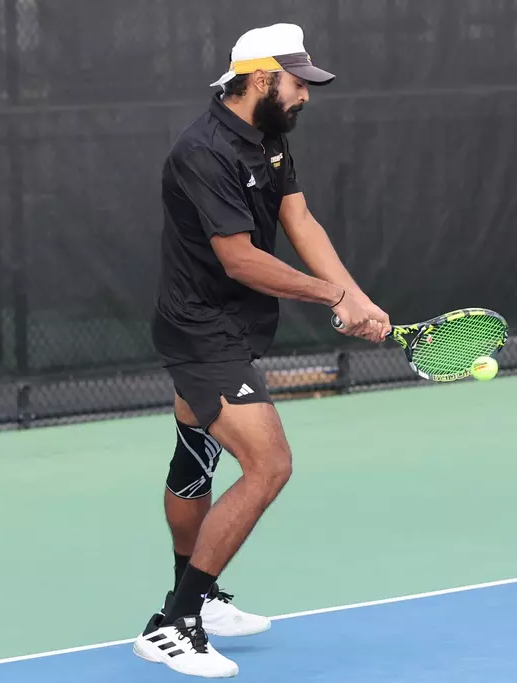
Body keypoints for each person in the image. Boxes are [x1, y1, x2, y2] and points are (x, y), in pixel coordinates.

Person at [133, 23, 391, 678]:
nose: (305, 94)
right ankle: (174, 622)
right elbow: (240, 258)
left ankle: (200, 596)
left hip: (233, 326)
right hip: (201, 331)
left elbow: (300, 219)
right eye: (297, 82)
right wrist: (334, 296)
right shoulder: (203, 152)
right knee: (270, 463)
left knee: (195, 455)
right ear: (258, 78)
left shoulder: (268, 139)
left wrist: (356, 297)